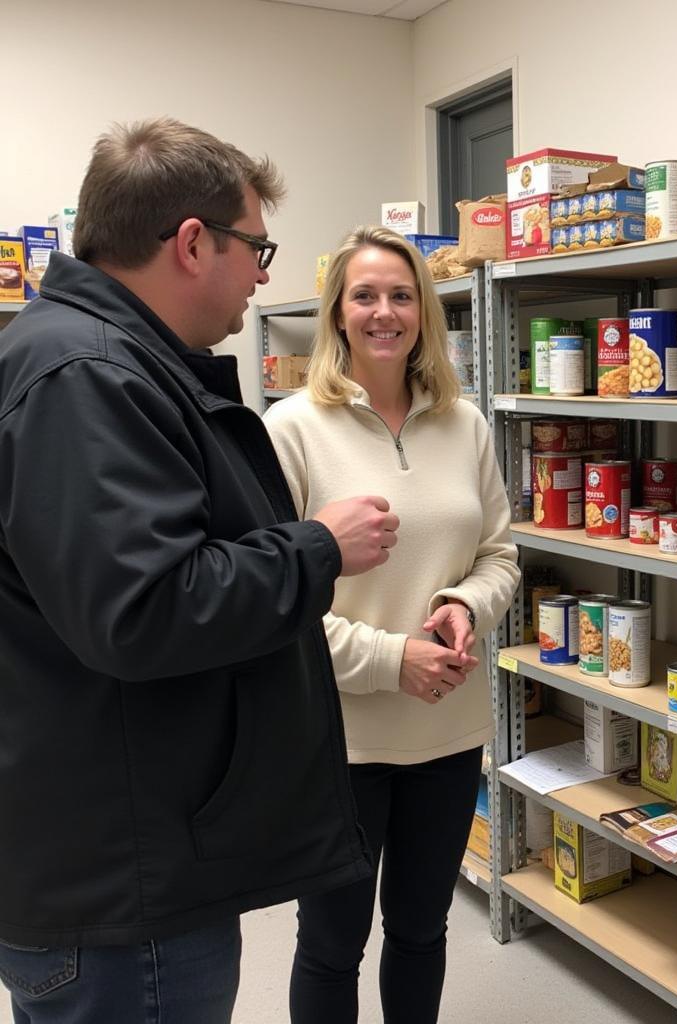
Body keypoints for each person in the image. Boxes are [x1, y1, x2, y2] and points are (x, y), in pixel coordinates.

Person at [0, 119, 401, 1024]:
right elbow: (145, 607)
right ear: (191, 243)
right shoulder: (86, 377)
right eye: (257, 247)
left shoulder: (108, 361)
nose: (263, 274)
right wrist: (318, 547)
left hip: (125, 854)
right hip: (120, 890)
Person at [263, 225, 520, 1024]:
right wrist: (388, 659)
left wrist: (465, 604)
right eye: (365, 295)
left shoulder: (465, 423)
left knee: (420, 930)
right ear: (338, 312)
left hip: (446, 733)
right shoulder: (291, 429)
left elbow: (500, 556)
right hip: (338, 743)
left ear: (423, 312)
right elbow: (275, 602)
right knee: (333, 944)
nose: (385, 312)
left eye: (402, 295)